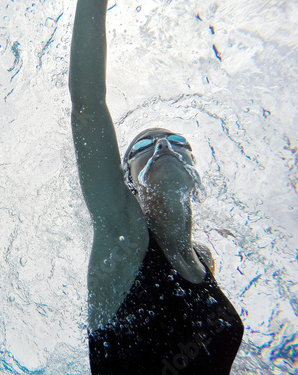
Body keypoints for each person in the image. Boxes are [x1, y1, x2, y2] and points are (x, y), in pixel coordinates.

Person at [68, 1, 244, 374]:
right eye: (144, 147)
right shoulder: (125, 240)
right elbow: (88, 105)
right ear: (127, 180)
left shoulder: (202, 259)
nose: (164, 147)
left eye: (178, 142)